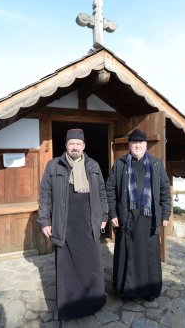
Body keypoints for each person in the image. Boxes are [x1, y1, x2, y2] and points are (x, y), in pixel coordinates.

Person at [37, 128, 108, 321]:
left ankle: (94, 301)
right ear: (66, 146)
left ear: (84, 146)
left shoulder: (93, 165)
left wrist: (104, 215)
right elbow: (44, 194)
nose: (75, 147)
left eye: (78, 144)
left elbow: (102, 192)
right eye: (71, 144)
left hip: (88, 223)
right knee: (67, 267)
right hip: (64, 224)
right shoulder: (54, 166)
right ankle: (69, 308)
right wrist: (44, 220)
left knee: (91, 265)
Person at [106, 128, 171, 302]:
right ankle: (125, 291)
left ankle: (150, 291)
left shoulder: (156, 164)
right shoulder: (120, 164)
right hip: (126, 218)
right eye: (134, 143)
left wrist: (165, 214)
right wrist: (112, 213)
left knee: (149, 256)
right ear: (129, 145)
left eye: (141, 143)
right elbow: (110, 190)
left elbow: (165, 190)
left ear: (146, 145)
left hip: (149, 220)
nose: (137, 146)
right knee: (127, 254)